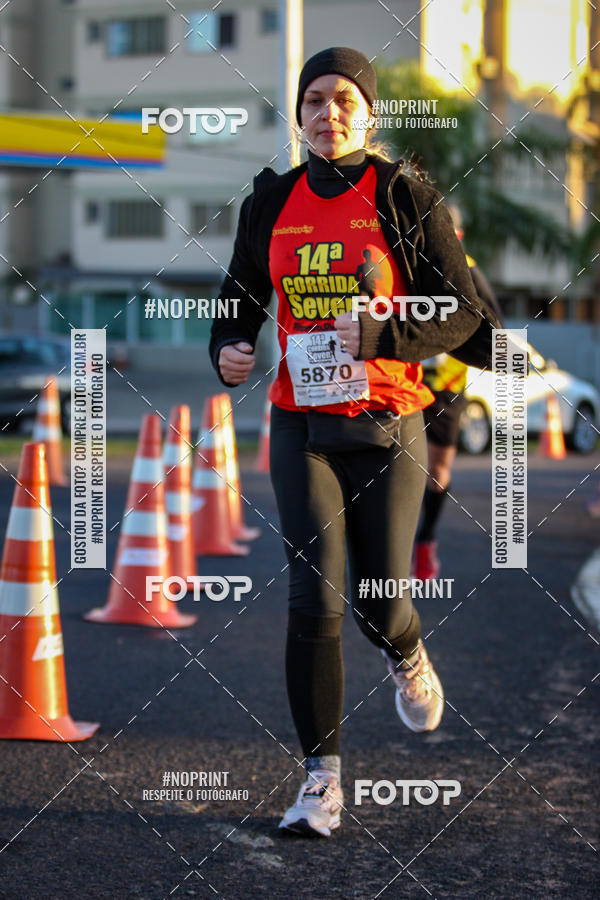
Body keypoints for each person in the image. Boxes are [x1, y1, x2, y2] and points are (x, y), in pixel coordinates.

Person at [210, 47, 500, 838]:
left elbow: (466, 315)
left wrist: (383, 332)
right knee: (316, 598)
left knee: (379, 604)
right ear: (298, 114)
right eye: (313, 100)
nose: (327, 113)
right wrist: (228, 348)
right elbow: (238, 299)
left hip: (389, 425)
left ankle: (407, 653)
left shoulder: (405, 195)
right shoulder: (270, 200)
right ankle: (321, 784)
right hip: (298, 422)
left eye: (343, 99)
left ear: (369, 113)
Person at [414, 205, 503, 580]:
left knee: (437, 471)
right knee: (392, 467)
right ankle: (390, 544)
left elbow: (495, 332)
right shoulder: (409, 264)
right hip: (406, 382)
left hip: (447, 389)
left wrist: (452, 338)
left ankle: (425, 540)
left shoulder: (467, 271)